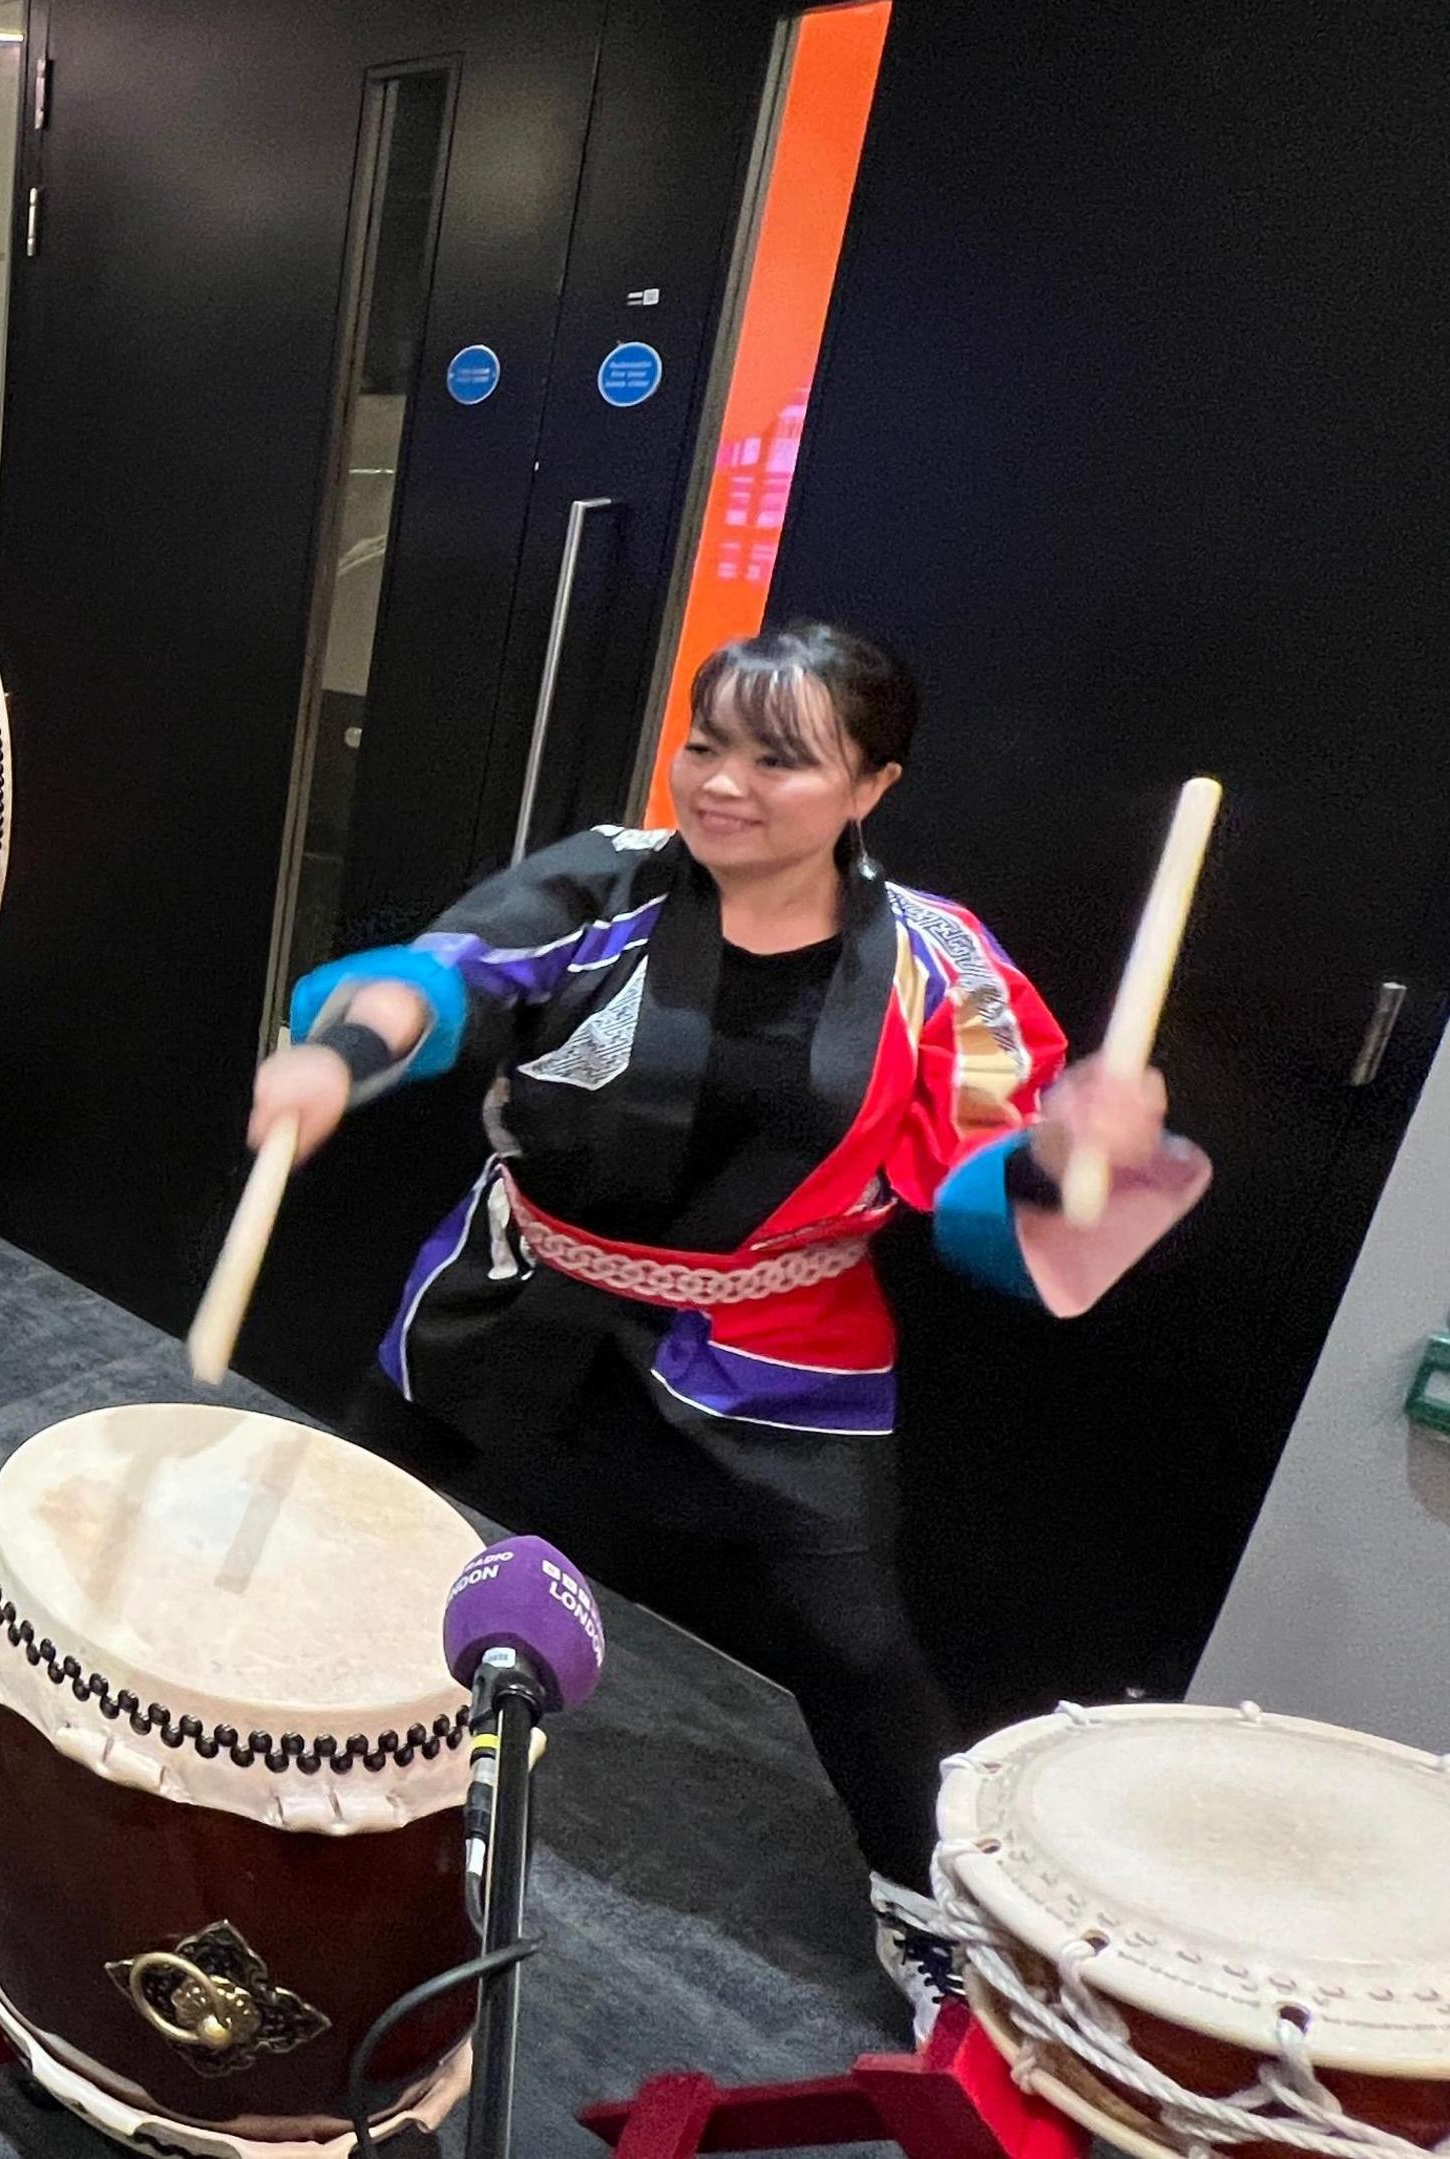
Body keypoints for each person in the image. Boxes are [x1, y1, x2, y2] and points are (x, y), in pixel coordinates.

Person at [251, 622, 1209, 2037]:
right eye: (708, 742)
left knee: (854, 1637)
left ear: (873, 785)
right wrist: (340, 1053)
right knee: (364, 1500)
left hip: (780, 1343)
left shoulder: (943, 965)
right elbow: (447, 974)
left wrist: (1078, 1143)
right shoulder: (602, 880)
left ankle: (923, 1897)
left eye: (781, 757)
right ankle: (276, 1752)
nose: (723, 782)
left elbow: (996, 1157)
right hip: (522, 1280)